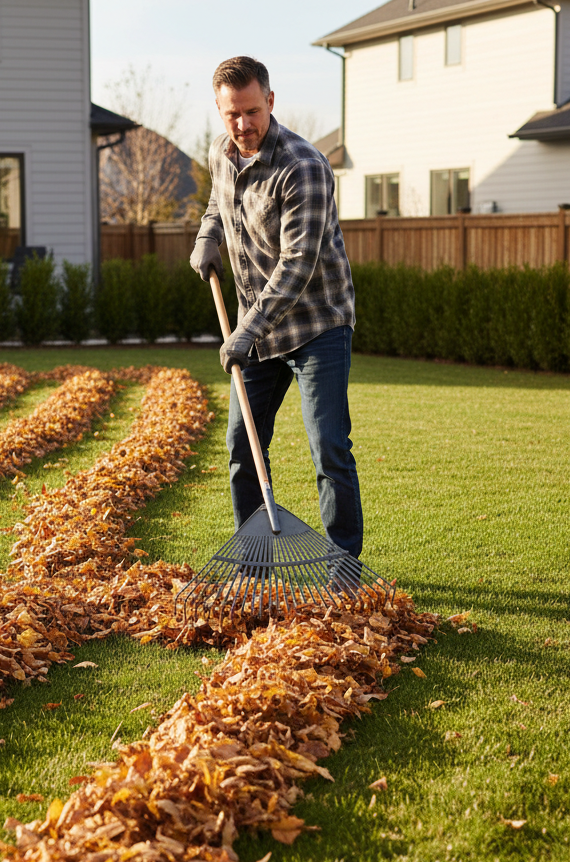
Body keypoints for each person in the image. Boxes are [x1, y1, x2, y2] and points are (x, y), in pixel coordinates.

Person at [190, 55, 362, 558]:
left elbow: (297, 263)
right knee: (242, 449)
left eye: (251, 111)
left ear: (269, 101)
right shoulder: (223, 154)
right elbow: (218, 204)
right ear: (220, 112)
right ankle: (255, 558)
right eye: (231, 115)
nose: (243, 125)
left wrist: (245, 331)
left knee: (329, 447)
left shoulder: (303, 166)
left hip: (317, 326)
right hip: (258, 331)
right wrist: (208, 235)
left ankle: (343, 565)